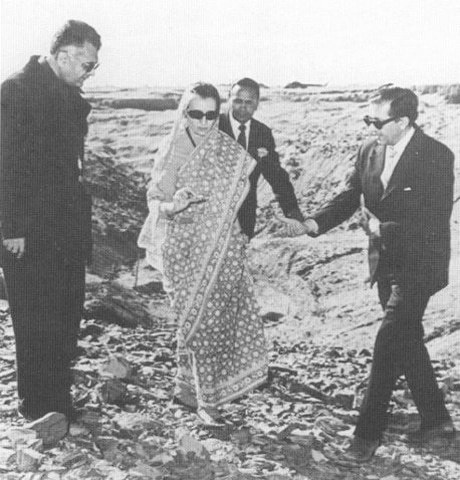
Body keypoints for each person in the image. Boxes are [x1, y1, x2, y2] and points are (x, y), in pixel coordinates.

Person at [289, 87, 455, 463]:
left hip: (419, 266)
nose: (370, 127)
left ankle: (366, 436)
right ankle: (437, 421)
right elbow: (350, 196)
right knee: (406, 341)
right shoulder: (369, 149)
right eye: (369, 120)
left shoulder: (436, 156)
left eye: (376, 121)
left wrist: (382, 228)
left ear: (402, 121)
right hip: (385, 264)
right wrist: (314, 223)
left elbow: (434, 220)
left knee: (387, 341)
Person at [138, 82, 268, 425]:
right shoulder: (175, 147)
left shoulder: (220, 142)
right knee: (198, 323)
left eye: (211, 114)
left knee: (212, 318)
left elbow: (236, 191)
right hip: (181, 249)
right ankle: (208, 403)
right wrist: (173, 204)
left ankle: (186, 388)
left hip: (220, 246)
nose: (205, 121)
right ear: (185, 112)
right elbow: (155, 198)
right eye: (197, 113)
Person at [0, 20, 101, 422]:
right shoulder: (16, 92)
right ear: (63, 56)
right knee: (34, 319)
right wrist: (11, 229)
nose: (89, 72)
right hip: (27, 231)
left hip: (65, 229)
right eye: (86, 64)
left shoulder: (66, 95)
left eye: (94, 66)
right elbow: (3, 166)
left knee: (65, 314)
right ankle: (36, 406)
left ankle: (59, 400)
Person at [219, 77, 305, 239]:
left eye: (249, 102)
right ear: (228, 98)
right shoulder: (214, 127)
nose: (243, 107)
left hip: (245, 218)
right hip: (210, 214)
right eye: (238, 100)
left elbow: (276, 177)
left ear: (257, 104)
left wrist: (293, 213)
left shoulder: (263, 133)